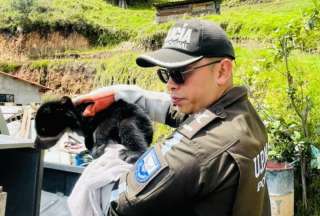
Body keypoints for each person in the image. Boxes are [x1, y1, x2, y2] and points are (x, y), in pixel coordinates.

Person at [75, 19, 271, 216]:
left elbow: (118, 207)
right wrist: (119, 94)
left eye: (179, 73)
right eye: (165, 74)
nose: (170, 85)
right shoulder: (242, 112)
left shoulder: (193, 151)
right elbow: (177, 112)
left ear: (222, 71)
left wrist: (107, 167)